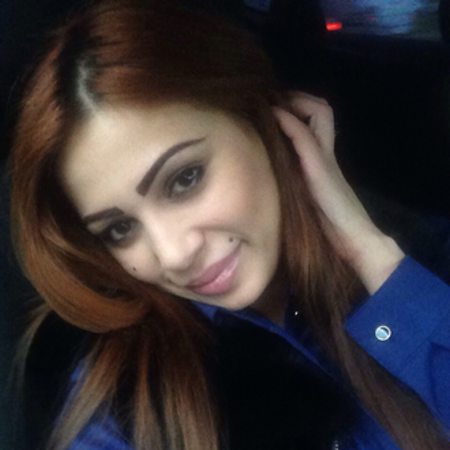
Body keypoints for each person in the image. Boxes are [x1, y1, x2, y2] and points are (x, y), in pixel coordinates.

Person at [8, 0, 450, 449]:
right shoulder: (126, 400)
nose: (173, 255)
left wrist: (372, 254)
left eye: (184, 179)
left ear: (258, 118)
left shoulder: (426, 256)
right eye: (119, 229)